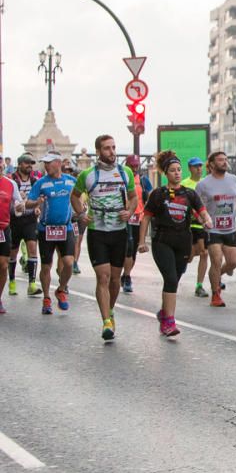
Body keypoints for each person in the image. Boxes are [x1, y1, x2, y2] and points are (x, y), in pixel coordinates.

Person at [137, 150, 212, 337]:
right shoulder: (158, 194)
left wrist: (207, 220)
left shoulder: (189, 194)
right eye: (172, 170)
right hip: (162, 241)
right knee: (170, 279)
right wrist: (141, 242)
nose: (177, 173)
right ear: (165, 173)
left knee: (175, 280)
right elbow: (145, 218)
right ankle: (168, 322)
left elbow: (202, 211)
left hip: (183, 242)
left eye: (179, 169)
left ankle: (164, 312)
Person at [71, 136, 138, 341]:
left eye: (114, 147)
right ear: (98, 151)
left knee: (116, 279)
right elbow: (74, 196)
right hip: (97, 231)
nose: (112, 152)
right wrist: (82, 214)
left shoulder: (125, 172)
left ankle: (110, 310)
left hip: (119, 231)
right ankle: (106, 321)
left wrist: (130, 211)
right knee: (103, 276)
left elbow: (133, 197)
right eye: (107, 148)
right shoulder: (88, 175)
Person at [25, 153, 77, 316]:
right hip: (46, 229)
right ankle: (47, 298)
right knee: (46, 266)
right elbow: (27, 202)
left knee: (69, 262)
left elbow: (81, 196)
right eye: (44, 163)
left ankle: (61, 289)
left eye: (48, 163)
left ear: (58, 163)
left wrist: (82, 209)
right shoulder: (41, 183)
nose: (46, 166)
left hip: (66, 228)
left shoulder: (70, 181)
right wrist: (37, 203)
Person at [196, 151, 236, 308]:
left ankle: (218, 276)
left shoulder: (234, 179)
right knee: (216, 260)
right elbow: (195, 206)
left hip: (230, 228)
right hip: (213, 229)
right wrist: (202, 219)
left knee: (233, 262)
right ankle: (216, 294)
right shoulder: (203, 184)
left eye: (225, 159)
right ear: (211, 164)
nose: (224, 162)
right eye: (220, 160)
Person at [9, 154, 41, 296]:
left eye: (31, 163)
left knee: (32, 249)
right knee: (12, 253)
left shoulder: (35, 181)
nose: (30, 166)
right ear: (20, 164)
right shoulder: (12, 180)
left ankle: (32, 284)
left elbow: (40, 198)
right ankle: (11, 282)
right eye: (27, 163)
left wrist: (38, 207)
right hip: (14, 220)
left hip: (30, 219)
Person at [181, 157, 210, 298]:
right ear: (190, 168)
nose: (198, 168)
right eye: (195, 166)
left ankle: (199, 285)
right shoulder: (184, 184)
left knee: (204, 253)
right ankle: (184, 261)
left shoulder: (206, 183)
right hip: (189, 223)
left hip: (203, 224)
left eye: (200, 166)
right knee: (190, 256)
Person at [0, 166, 25, 314]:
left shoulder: (10, 184)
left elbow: (18, 204)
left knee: (3, 265)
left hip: (3, 229)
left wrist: (20, 206)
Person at [121, 154, 145, 294]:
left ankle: (125, 274)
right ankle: (127, 277)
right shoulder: (122, 179)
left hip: (139, 218)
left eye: (137, 165)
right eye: (132, 165)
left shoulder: (142, 180)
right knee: (128, 247)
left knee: (134, 249)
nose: (135, 168)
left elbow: (149, 196)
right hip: (126, 218)